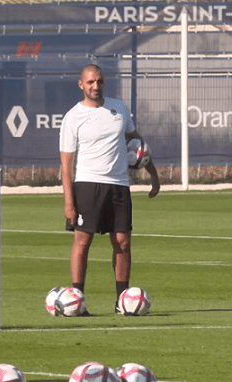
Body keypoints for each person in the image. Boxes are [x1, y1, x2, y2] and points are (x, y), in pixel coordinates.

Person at [59, 64, 160, 316]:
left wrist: (154, 175)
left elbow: (138, 143)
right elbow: (66, 164)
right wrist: (69, 202)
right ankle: (77, 299)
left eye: (100, 82)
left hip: (119, 186)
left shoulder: (119, 109)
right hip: (87, 185)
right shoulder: (73, 116)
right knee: (82, 241)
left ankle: (122, 301)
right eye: (90, 82)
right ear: (81, 84)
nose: (96, 86)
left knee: (123, 243)